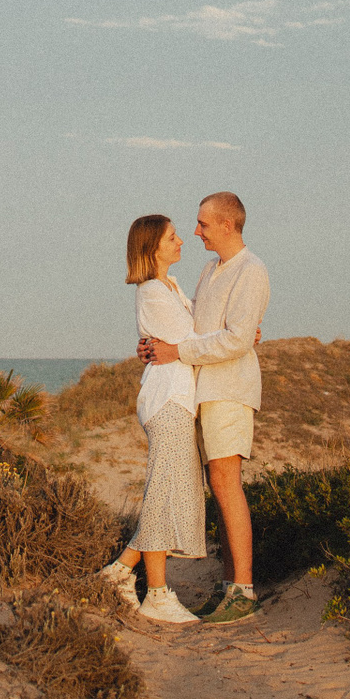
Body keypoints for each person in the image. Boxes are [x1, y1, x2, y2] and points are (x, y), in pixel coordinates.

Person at [139, 191, 269, 623]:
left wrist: (177, 351)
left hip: (230, 388)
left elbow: (234, 340)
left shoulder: (251, 270)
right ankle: (229, 585)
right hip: (202, 390)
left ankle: (243, 590)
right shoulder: (211, 269)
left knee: (226, 482)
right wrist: (153, 344)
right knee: (218, 484)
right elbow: (193, 323)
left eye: (203, 224)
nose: (196, 232)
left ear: (227, 225)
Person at [95, 214, 205, 622]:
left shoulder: (170, 286)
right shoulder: (153, 291)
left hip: (179, 400)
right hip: (168, 400)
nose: (181, 241)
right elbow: (193, 339)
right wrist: (234, 335)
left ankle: (123, 572)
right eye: (172, 237)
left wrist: (239, 333)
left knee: (168, 491)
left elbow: (194, 334)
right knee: (162, 492)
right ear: (152, 247)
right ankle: (156, 594)